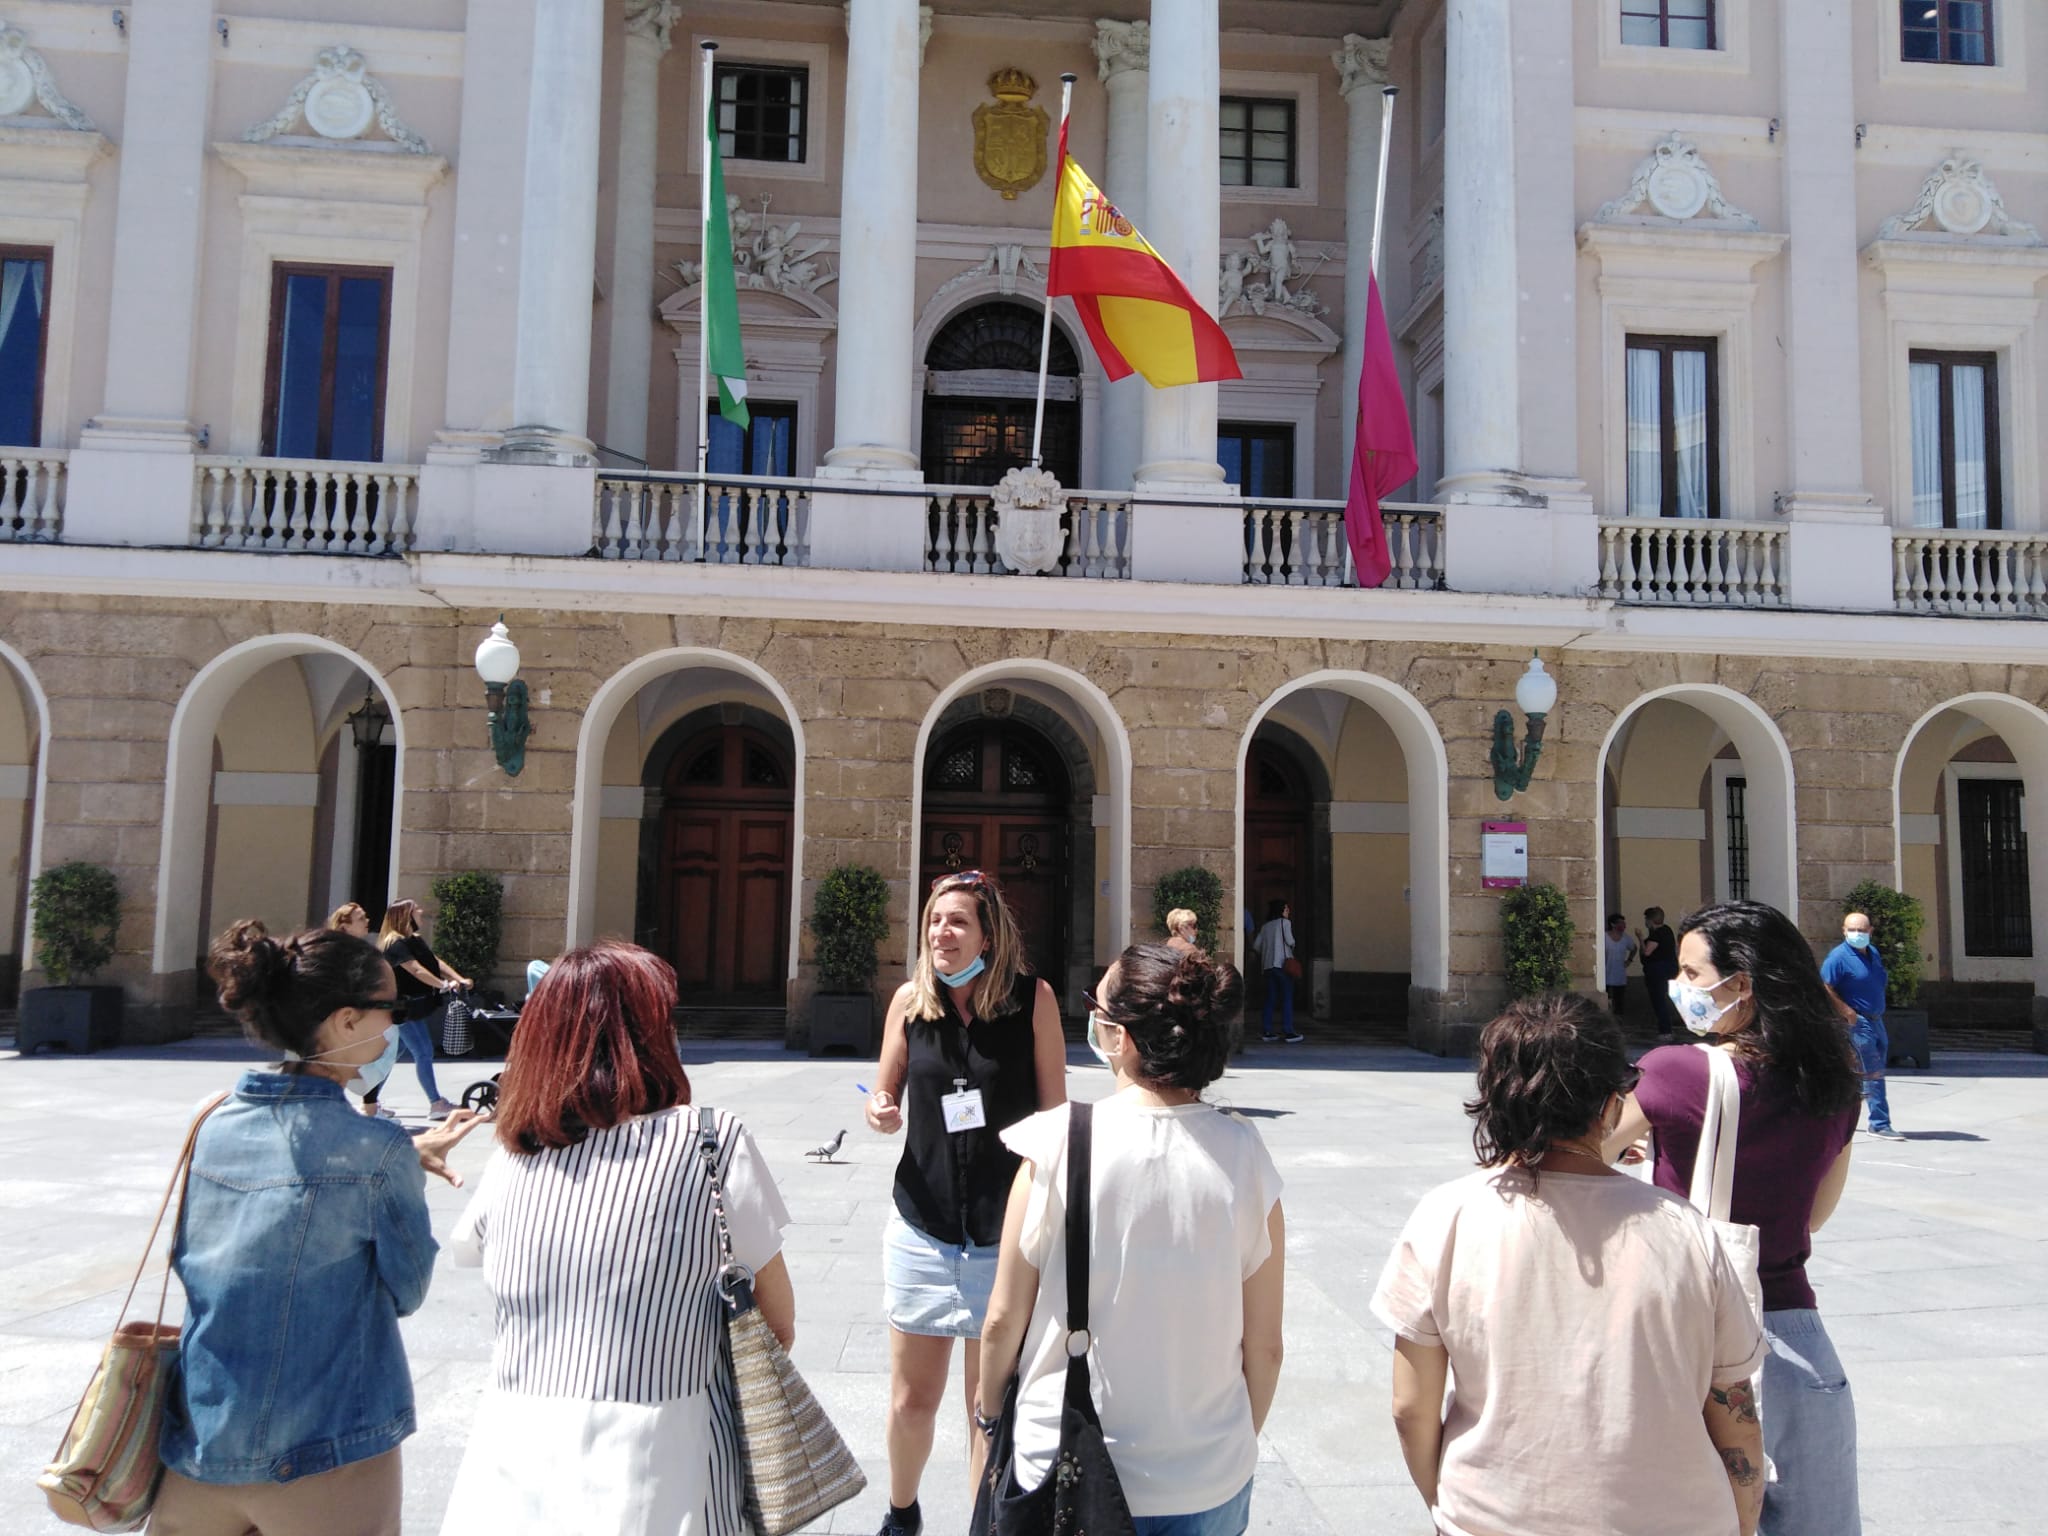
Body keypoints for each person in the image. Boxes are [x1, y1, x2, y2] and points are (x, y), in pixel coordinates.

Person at [1373, 993, 1767, 1536]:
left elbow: (1410, 1406)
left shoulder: (1447, 1216)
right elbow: (1735, 1416)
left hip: (1494, 1517)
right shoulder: (1685, 1229)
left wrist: (1445, 1504)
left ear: (1493, 1099)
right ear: (1610, 1105)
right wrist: (1744, 1523)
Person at [438, 942, 795, 1536]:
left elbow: (470, 1247)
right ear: (650, 1033)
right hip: (662, 1463)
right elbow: (777, 1320)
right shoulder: (708, 1140)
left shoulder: (518, 1147)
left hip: (511, 1465)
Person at [152, 919, 484, 1536]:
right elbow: (407, 1291)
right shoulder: (376, 1148)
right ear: (347, 1021)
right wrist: (398, 1169)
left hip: (201, 1439)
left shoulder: (211, 1121)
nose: (397, 1024)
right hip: (329, 1445)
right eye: (394, 1007)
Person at [978, 945, 1284, 1536]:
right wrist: (1232, 1444)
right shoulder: (1246, 1154)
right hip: (1207, 1478)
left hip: (1066, 1466)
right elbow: (1265, 1345)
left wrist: (990, 1415)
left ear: (1116, 1037)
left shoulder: (1057, 1142)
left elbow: (1001, 1320)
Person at [1605, 900, 1865, 1536]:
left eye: (1693, 975)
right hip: (1797, 1340)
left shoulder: (1676, 1072)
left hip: (1693, 1337)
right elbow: (1816, 1215)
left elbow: (1577, 1158)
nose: (1680, 988)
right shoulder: (1837, 1079)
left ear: (1741, 984)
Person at [864, 869, 1067, 1536]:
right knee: (909, 1401)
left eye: (956, 922)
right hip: (922, 1228)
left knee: (988, 1407)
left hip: (1000, 1239)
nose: (940, 932)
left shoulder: (1031, 1001)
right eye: (933, 921)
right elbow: (884, 1086)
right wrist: (881, 1107)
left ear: (989, 934)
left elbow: (1055, 1110)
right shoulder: (909, 1003)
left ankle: (983, 1525)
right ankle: (902, 1511)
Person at [363, 898, 468, 1121]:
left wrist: (458, 978)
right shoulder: (395, 944)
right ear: (405, 915)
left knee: (390, 1056)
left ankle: (370, 1103)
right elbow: (416, 970)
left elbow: (434, 962)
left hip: (412, 1007)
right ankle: (436, 1103)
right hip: (401, 1007)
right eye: (416, 909)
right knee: (423, 1051)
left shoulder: (413, 940)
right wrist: (443, 985)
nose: (421, 911)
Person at [1821, 910, 1900, 1140]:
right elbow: (1824, 986)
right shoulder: (1838, 958)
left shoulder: (1872, 953)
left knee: (1861, 1071)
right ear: (1844, 931)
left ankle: (1837, 1114)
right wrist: (1846, 1011)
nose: (1857, 934)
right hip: (1858, 1022)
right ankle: (1879, 1122)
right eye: (1852, 930)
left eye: (1861, 930)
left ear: (1870, 932)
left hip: (1877, 1019)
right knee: (1872, 1071)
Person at [1252, 900, 1301, 1043]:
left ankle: (1267, 1031)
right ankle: (1288, 1031)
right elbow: (1291, 941)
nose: (1288, 911)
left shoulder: (1265, 927)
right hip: (1282, 966)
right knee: (1286, 998)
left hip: (1268, 966)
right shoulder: (1285, 923)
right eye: (1286, 909)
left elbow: (1257, 946)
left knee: (1270, 999)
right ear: (1281, 910)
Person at [1637, 905, 1681, 1039]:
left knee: (1659, 1000)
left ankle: (1665, 1031)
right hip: (1670, 968)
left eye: (1646, 919)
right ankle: (1668, 1028)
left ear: (1650, 920)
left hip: (1657, 971)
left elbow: (1647, 952)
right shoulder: (1667, 930)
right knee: (1664, 999)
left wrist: (1640, 938)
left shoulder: (1657, 934)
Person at [1604, 911, 1638, 1019]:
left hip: (1620, 976)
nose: (1623, 926)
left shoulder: (1626, 938)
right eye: (1620, 923)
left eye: (1624, 923)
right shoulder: (1604, 937)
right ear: (1613, 924)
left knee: (1619, 1002)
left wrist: (1629, 960)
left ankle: (1619, 1021)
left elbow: (1634, 948)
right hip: (1606, 975)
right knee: (1607, 1001)